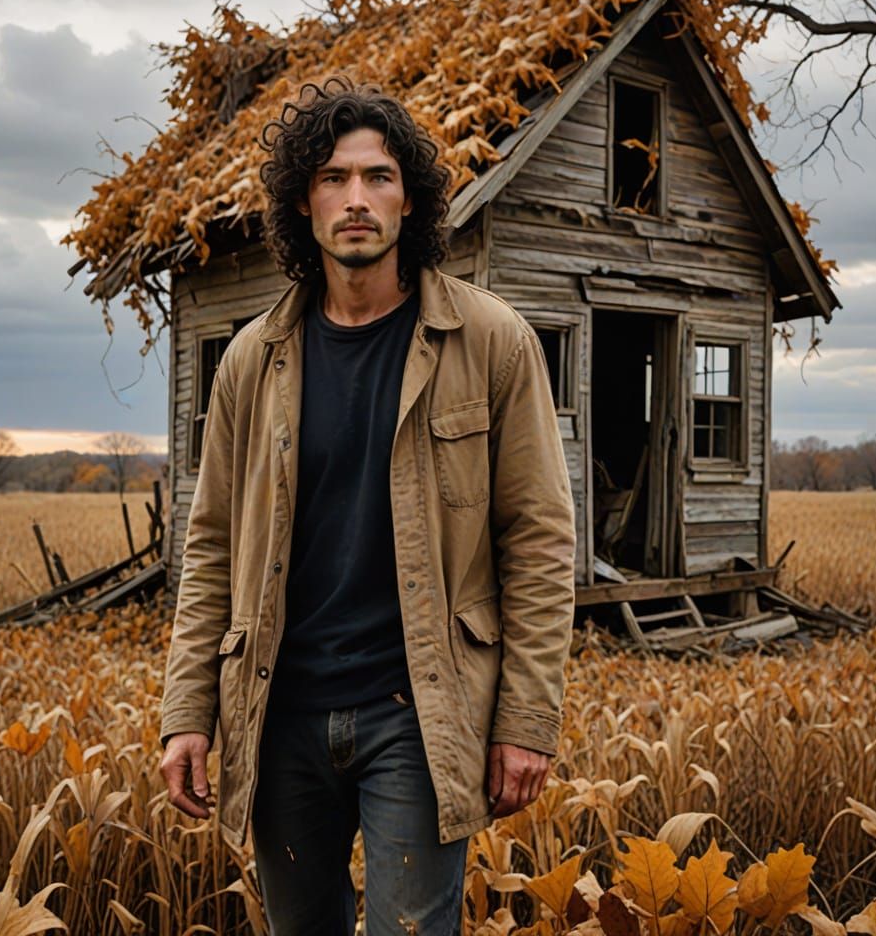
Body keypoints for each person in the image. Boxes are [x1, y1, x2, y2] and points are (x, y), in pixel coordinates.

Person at [159, 78, 577, 935]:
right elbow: (209, 548)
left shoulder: (492, 344)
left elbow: (538, 539)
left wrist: (528, 722)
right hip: (280, 716)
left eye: (378, 177)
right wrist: (185, 714)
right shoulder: (251, 361)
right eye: (333, 178)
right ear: (302, 205)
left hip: (418, 716)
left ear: (410, 201)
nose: (357, 199)